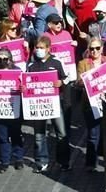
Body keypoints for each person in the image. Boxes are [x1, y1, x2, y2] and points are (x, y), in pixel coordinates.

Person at [27, 35, 70, 172]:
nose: (38, 50)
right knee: (39, 135)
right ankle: (41, 162)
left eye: (41, 48)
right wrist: (24, 88)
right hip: (38, 104)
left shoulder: (57, 62)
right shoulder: (31, 65)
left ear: (48, 49)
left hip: (55, 102)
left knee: (61, 133)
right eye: (37, 48)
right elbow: (27, 82)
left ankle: (63, 162)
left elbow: (67, 77)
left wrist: (61, 82)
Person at [75, 36, 106, 171]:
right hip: (90, 104)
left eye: (97, 48)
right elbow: (77, 83)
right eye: (92, 49)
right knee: (93, 134)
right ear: (88, 50)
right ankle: (91, 163)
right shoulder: (83, 63)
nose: (94, 51)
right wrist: (85, 80)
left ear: (102, 49)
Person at [0, 47, 25, 173]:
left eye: (5, 59)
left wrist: (23, 88)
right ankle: (5, 161)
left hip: (14, 110)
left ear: (10, 60)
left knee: (16, 135)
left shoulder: (18, 71)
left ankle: (19, 158)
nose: (2, 61)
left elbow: (25, 88)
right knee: (2, 137)